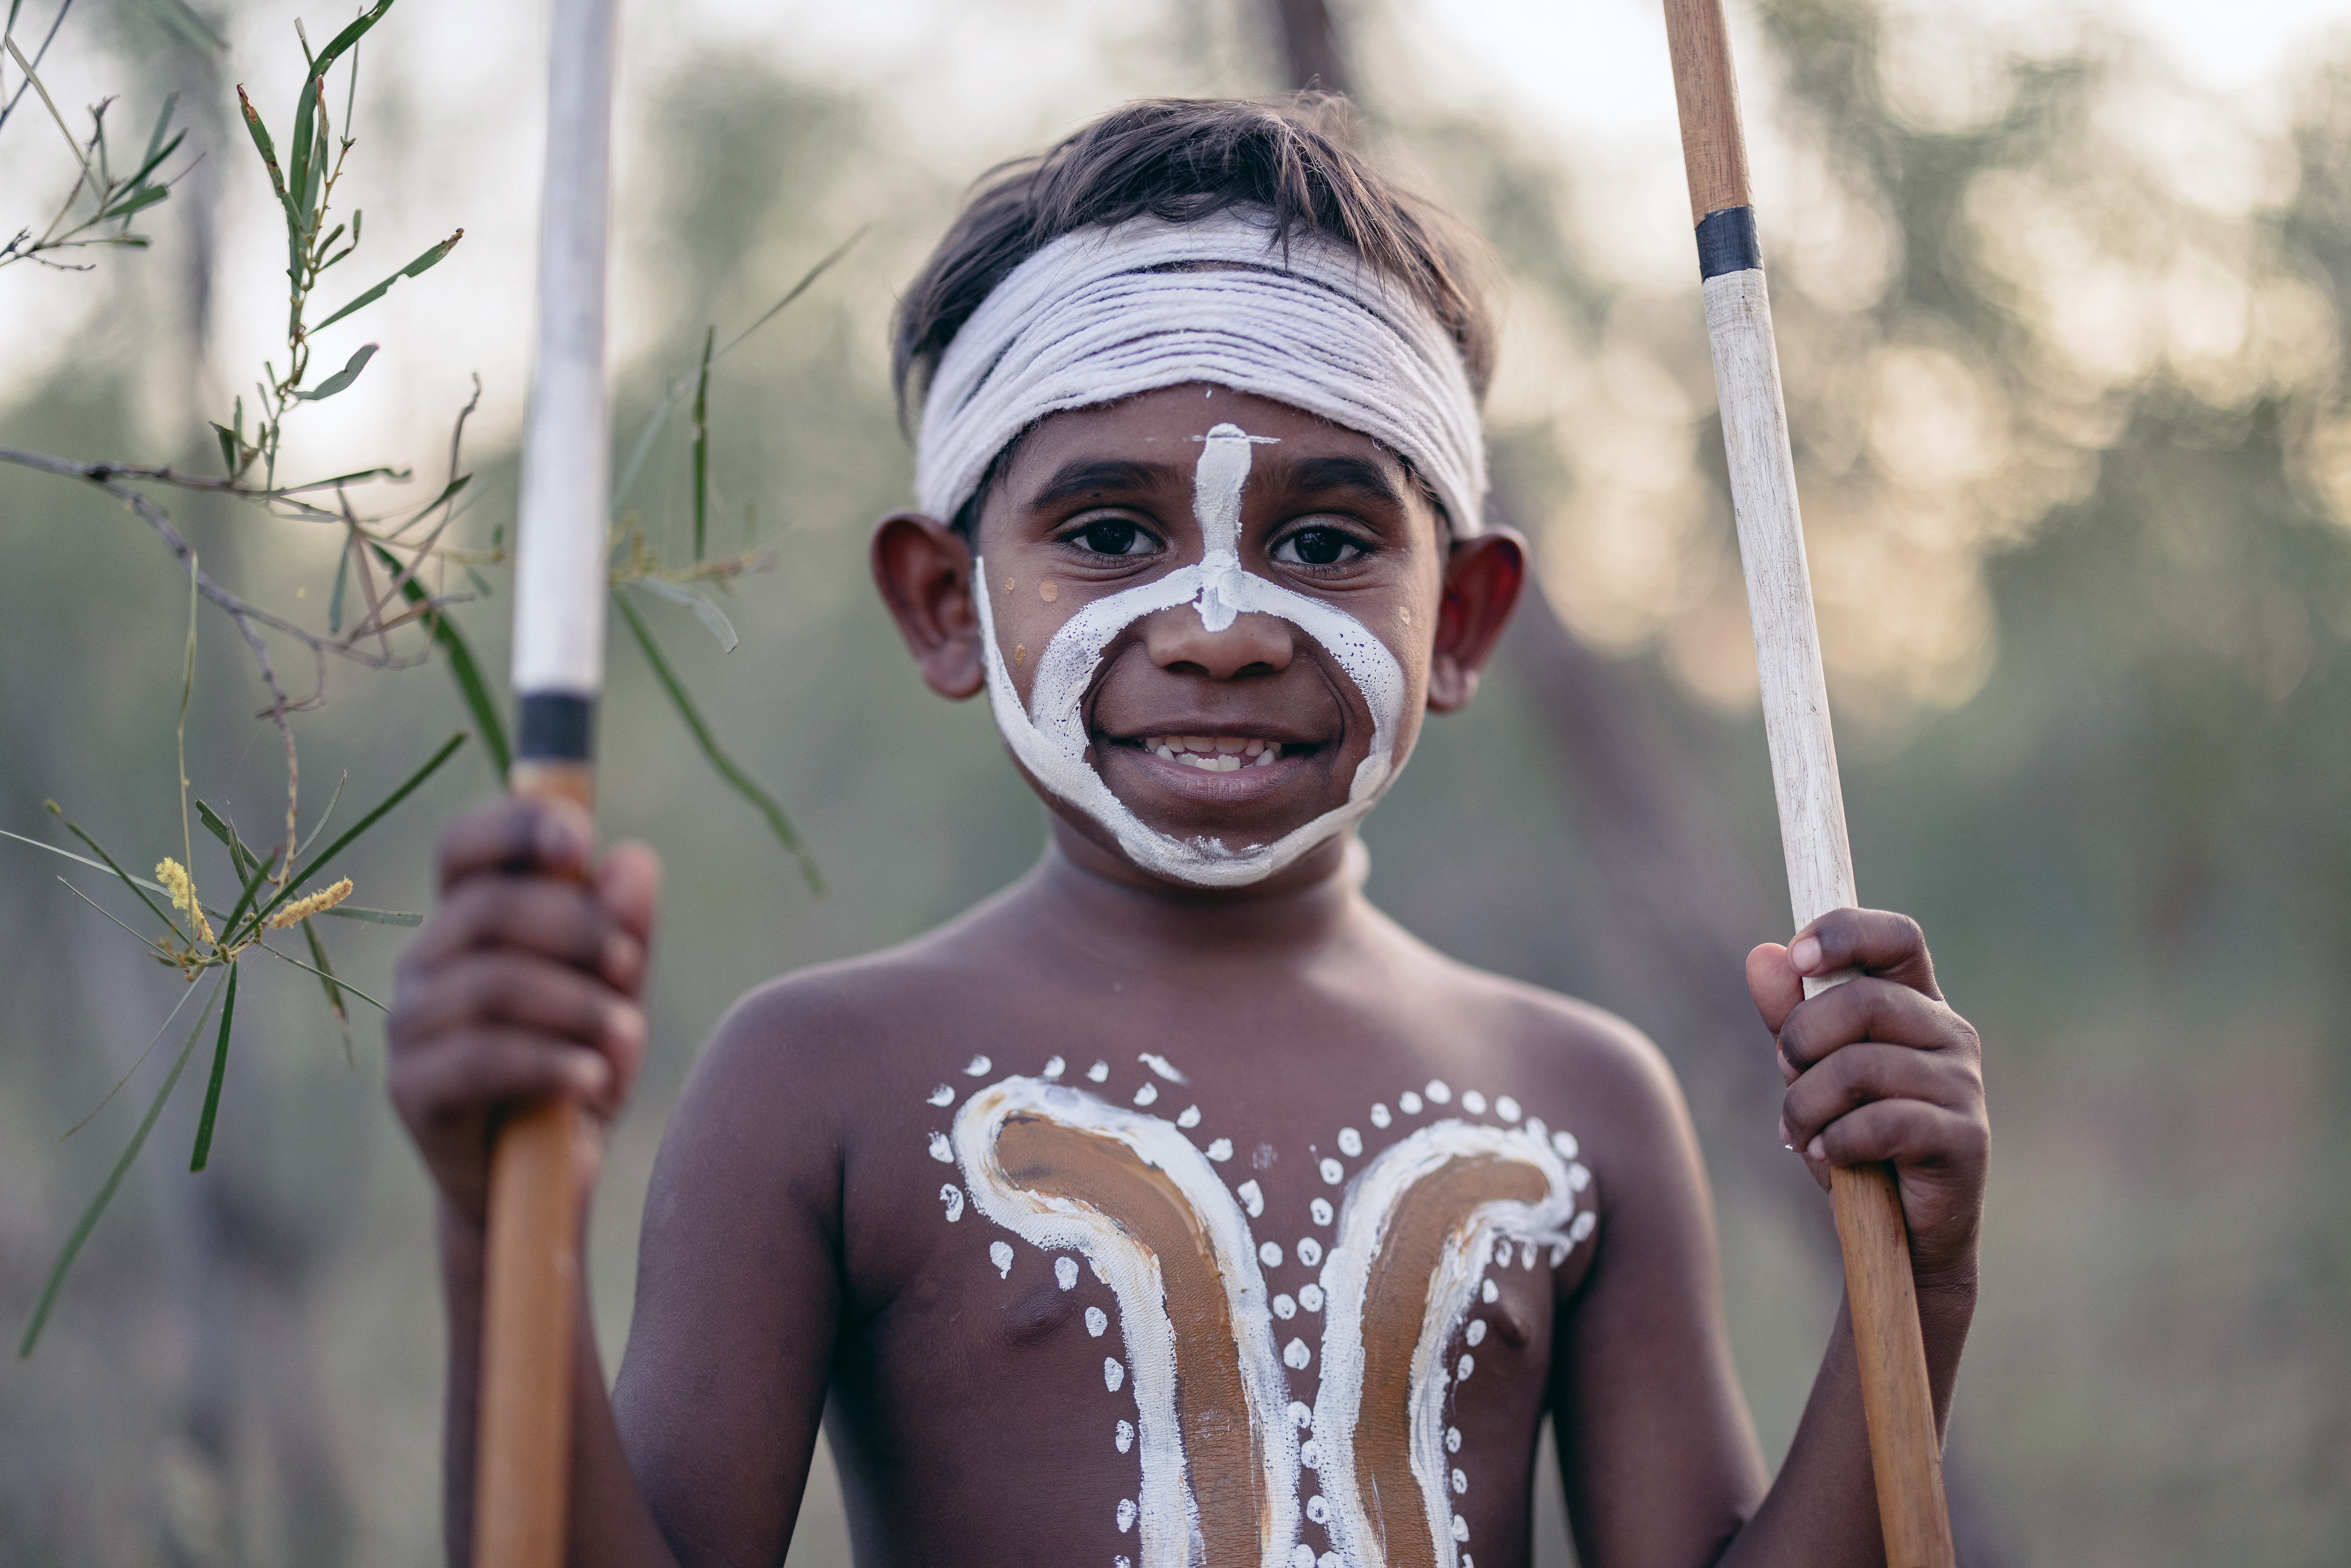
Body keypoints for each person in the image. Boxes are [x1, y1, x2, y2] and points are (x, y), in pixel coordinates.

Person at [388, 97, 1988, 1568]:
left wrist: (1906, 1294)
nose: (1220, 629)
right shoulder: (816, 1081)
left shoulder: (1581, 1099)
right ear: (946, 606)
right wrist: (489, 1226)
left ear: (1464, 620)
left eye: (1322, 538)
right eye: (1104, 534)